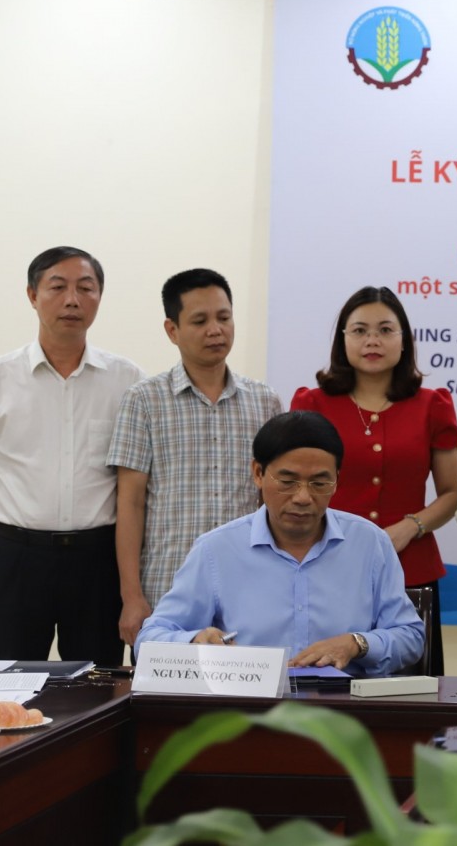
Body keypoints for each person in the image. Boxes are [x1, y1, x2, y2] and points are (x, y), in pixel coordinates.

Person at [0, 246, 144, 664]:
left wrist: (133, 591)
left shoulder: (128, 382)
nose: (73, 299)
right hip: (16, 558)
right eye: (58, 287)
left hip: (98, 562)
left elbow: (136, 490)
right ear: (32, 295)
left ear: (99, 298)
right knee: (7, 691)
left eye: (86, 288)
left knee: (97, 693)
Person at [135, 411, 425, 676]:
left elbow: (411, 637)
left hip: (346, 712)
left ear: (337, 480)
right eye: (288, 481)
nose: (302, 497)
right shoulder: (216, 550)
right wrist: (195, 640)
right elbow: (149, 640)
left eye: (319, 483)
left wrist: (357, 643)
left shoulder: (369, 543)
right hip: (247, 711)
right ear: (258, 474)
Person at [107, 269, 282, 647]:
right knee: (164, 704)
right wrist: (132, 597)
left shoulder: (264, 401)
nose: (215, 330)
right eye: (200, 321)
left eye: (224, 317)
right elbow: (130, 503)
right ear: (172, 330)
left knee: (249, 702)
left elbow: (269, 500)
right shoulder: (144, 400)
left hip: (248, 587)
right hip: (168, 591)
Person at [291, 286, 457, 675]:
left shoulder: (431, 404)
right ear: (342, 340)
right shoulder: (313, 404)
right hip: (328, 567)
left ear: (404, 340)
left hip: (410, 567)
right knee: (328, 685)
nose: (372, 340)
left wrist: (410, 527)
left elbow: (453, 492)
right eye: (360, 330)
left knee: (412, 693)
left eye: (386, 330)